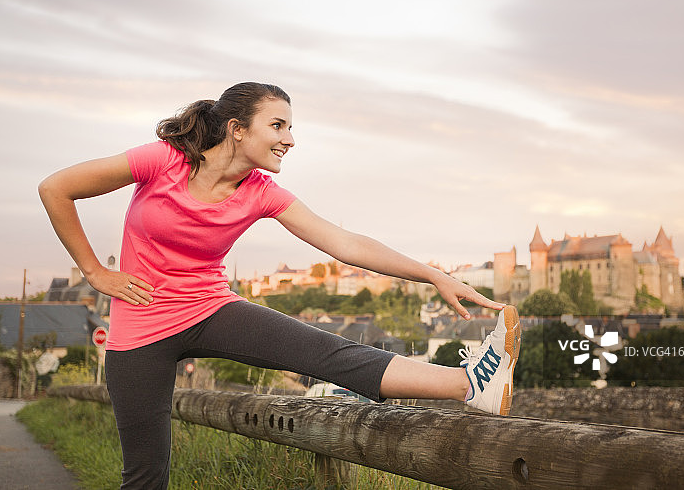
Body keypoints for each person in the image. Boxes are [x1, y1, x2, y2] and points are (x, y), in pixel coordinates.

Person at [39, 82, 521, 489]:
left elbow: (345, 243)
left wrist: (434, 274)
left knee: (328, 353)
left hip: (209, 308)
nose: (290, 138)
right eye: (278, 125)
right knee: (146, 475)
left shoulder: (263, 192)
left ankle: (470, 384)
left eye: (290, 127)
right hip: (139, 329)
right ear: (236, 129)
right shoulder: (162, 160)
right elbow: (56, 187)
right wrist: (95, 272)